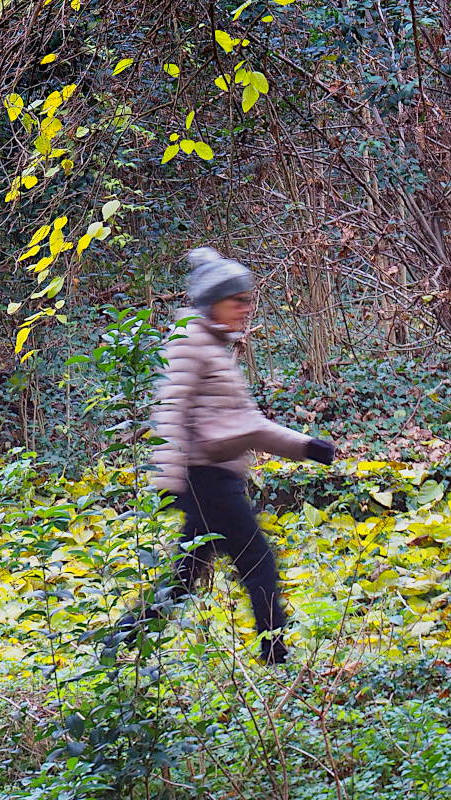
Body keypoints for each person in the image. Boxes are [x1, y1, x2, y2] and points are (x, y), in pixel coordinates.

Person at [120, 246, 336, 664]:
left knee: (184, 580)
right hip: (206, 481)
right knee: (258, 562)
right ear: (212, 302)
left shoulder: (215, 346)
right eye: (237, 300)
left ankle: (120, 640)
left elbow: (247, 426)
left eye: (248, 299)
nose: (246, 307)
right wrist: (169, 482)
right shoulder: (191, 345)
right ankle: (275, 657)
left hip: (214, 479)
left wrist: (306, 447)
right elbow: (170, 412)